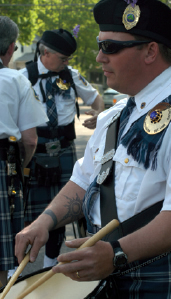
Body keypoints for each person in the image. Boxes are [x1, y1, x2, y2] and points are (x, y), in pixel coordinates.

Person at [15, 0, 171, 297]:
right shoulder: (115, 115)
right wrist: (44, 222)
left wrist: (115, 255)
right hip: (108, 274)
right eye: (101, 46)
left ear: (151, 51)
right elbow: (85, 179)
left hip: (160, 279)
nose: (100, 57)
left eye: (110, 47)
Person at [17, 28, 104, 269]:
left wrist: (98, 113)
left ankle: (50, 263)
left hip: (64, 149)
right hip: (35, 151)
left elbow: (96, 99)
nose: (66, 63)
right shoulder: (23, 78)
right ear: (45, 53)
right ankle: (20, 265)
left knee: (61, 208)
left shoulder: (71, 76)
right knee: (30, 210)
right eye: (63, 58)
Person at [0, 16, 48, 286]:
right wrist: (21, 169)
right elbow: (30, 140)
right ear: (10, 48)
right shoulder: (15, 80)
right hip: (5, 171)